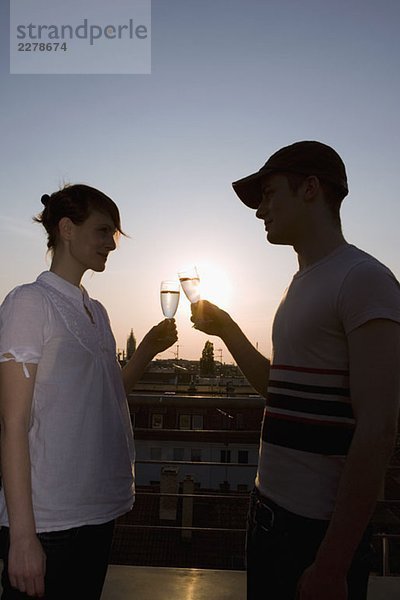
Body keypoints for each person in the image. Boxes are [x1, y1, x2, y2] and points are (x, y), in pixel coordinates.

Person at [191, 141, 400, 600]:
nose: (260, 209)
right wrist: (226, 328)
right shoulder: (302, 284)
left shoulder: (364, 279)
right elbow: (276, 387)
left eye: (268, 194)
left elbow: (379, 429)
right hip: (267, 516)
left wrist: (333, 562)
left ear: (309, 189)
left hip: (316, 533)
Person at [0, 184, 177, 599]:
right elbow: (12, 423)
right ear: (66, 229)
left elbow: (110, 395)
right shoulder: (30, 303)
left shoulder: (96, 311)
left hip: (97, 511)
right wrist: (23, 538)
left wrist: (148, 349)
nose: (111, 244)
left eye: (113, 235)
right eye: (103, 231)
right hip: (49, 521)